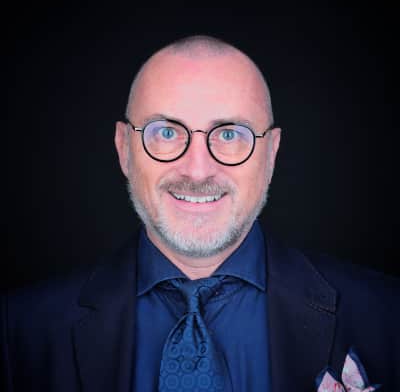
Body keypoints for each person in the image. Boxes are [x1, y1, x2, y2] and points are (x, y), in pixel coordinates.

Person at [1, 35, 399, 391]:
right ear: (124, 148)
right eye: (166, 132)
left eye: (229, 134)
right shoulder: (20, 331)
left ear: (271, 153)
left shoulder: (388, 316)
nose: (197, 170)